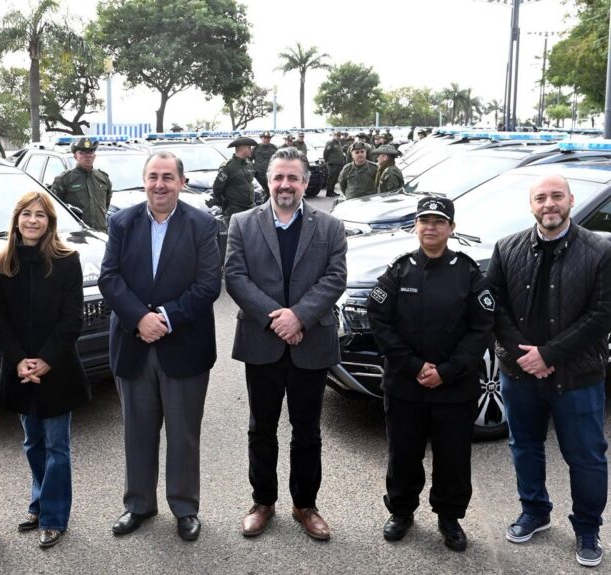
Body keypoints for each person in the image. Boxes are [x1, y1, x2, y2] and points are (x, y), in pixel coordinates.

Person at [487, 174, 611, 568]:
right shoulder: (507, 248)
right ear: (531, 205)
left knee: (586, 455)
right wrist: (524, 355)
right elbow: (493, 306)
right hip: (519, 372)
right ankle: (535, 511)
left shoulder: (600, 250)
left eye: (557, 196)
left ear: (571, 200)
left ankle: (587, 528)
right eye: (541, 198)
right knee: (524, 445)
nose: (549, 204)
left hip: (577, 376)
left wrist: (550, 354)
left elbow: (603, 313)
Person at [224, 147, 347, 541]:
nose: (285, 184)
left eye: (293, 177)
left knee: (307, 431)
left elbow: (335, 277)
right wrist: (278, 319)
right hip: (262, 341)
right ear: (267, 181)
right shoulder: (242, 223)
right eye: (278, 177)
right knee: (261, 428)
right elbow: (235, 276)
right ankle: (262, 502)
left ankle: (305, 506)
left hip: (311, 341)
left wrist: (300, 316)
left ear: (305, 183)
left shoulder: (330, 226)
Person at [99, 151, 221, 542]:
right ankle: (138, 504)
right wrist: (140, 318)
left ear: (182, 182)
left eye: (168, 177)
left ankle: (184, 507)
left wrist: (165, 318)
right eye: (153, 176)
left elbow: (208, 284)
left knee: (183, 435)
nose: (160, 184)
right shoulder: (121, 222)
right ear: (144, 180)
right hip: (133, 343)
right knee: (137, 432)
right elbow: (109, 278)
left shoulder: (202, 225)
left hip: (184, 345)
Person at [367, 197, 494, 552]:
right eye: (425, 220)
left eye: (439, 221)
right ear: (416, 226)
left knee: (453, 458)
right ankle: (401, 511)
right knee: (403, 455)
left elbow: (482, 328)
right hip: (405, 385)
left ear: (451, 228)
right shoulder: (399, 270)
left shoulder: (467, 272)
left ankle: (449, 517)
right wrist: (413, 365)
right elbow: (379, 319)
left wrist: (447, 371)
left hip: (454, 387)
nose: (431, 227)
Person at [0, 190, 91, 549]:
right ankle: (39, 501)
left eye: (40, 215)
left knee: (56, 445)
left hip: (57, 368)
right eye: (27, 214)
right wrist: (19, 360)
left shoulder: (67, 260)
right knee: (32, 441)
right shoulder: (2, 263)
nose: (33, 220)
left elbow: (72, 318)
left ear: (50, 222)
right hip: (20, 369)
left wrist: (45, 360)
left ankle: (54, 516)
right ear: (17, 220)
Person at [51, 137, 112, 232]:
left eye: (90, 152)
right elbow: (54, 208)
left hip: (100, 233)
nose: (87, 156)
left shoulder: (103, 178)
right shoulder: (65, 179)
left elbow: (106, 205)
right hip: (77, 234)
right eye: (82, 153)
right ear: (75, 156)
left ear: (94, 156)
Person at [211, 136, 257, 221]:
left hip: (250, 207)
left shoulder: (249, 164)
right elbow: (217, 188)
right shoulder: (228, 167)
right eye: (249, 148)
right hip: (235, 210)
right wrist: (224, 205)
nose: (251, 150)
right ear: (243, 149)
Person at [322, 130, 345, 198]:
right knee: (331, 178)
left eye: (339, 136)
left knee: (335, 178)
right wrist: (327, 160)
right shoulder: (330, 143)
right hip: (332, 163)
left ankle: (332, 190)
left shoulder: (338, 143)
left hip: (339, 163)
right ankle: (329, 192)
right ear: (334, 135)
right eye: (337, 135)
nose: (338, 137)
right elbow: (326, 152)